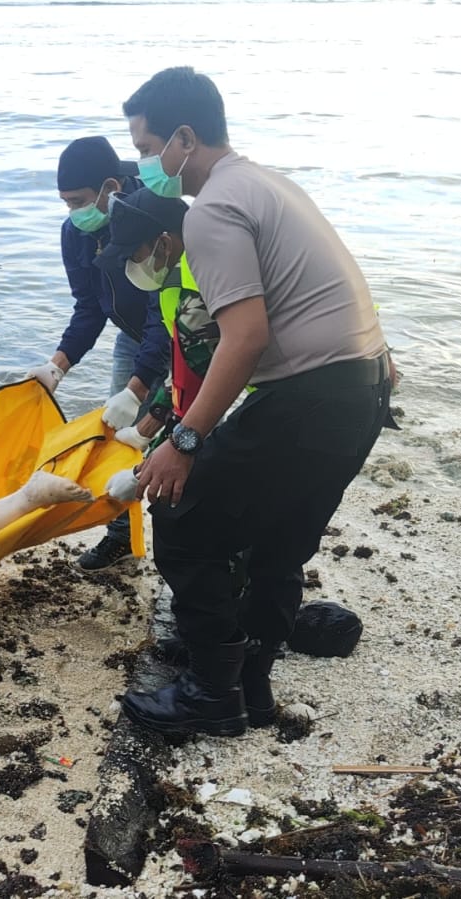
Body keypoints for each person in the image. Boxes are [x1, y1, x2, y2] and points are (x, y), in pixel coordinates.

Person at [115, 67, 394, 739]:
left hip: (312, 392)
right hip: (363, 387)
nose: (146, 163)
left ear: (184, 137)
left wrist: (184, 441)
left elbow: (245, 338)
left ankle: (210, 695)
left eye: (148, 146)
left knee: (182, 517)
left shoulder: (211, 207)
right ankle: (251, 686)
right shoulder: (267, 183)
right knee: (276, 543)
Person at [26, 136, 170, 571]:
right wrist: (57, 365)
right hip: (131, 334)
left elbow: (164, 314)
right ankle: (121, 535)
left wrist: (139, 385)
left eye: (79, 201)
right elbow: (89, 307)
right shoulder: (75, 233)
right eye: (65, 202)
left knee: (176, 430)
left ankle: (188, 530)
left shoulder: (150, 214)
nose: (73, 211)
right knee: (116, 436)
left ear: (110, 187)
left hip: (177, 326)